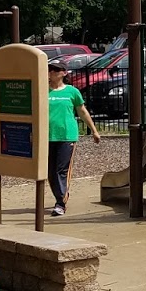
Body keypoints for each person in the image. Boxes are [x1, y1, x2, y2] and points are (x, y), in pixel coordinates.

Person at [47, 58, 101, 217]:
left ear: (63, 73)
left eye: (55, 70)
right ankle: (60, 196)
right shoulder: (42, 90)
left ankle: (61, 202)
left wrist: (94, 130)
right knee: (50, 171)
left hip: (67, 135)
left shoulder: (72, 91)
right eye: (50, 69)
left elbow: (82, 111)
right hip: (48, 136)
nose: (51, 72)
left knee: (61, 170)